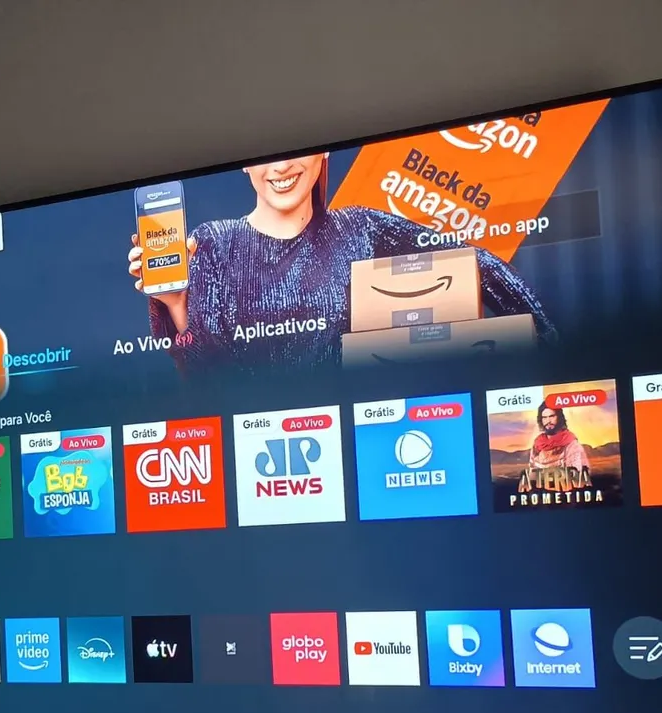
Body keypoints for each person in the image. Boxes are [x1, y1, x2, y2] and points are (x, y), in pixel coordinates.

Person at [127, 153, 552, 374]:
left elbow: (478, 263)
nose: (281, 167)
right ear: (245, 164)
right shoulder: (213, 243)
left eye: (296, 147)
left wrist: (553, 349)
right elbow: (207, 380)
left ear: (324, 150)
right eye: (264, 153)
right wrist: (176, 303)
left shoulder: (360, 229)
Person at [528, 403, 590, 477]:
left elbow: (578, 475)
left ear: (559, 418)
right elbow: (532, 473)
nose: (548, 421)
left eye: (552, 416)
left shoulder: (571, 443)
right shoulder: (538, 443)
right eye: (544, 417)